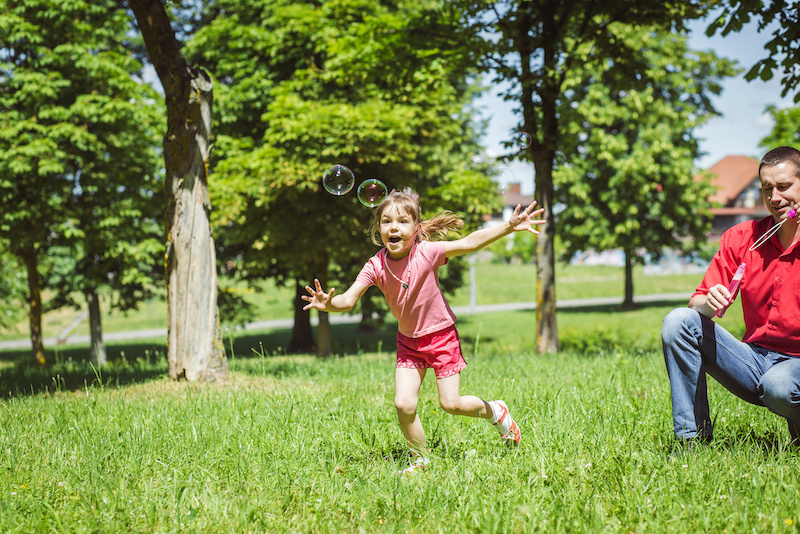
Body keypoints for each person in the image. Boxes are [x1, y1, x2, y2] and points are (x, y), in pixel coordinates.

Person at [302, 189, 545, 475]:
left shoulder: (426, 253)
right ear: (377, 228)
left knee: (450, 404)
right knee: (403, 405)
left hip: (441, 337)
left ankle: (496, 411)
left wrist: (508, 226)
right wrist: (329, 304)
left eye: (403, 222)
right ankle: (421, 458)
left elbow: (468, 243)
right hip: (408, 342)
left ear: (416, 229)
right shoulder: (375, 265)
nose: (393, 227)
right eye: (386, 221)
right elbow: (348, 299)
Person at [662, 146, 800, 454]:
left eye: (784, 186)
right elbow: (696, 307)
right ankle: (691, 443)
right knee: (677, 322)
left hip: (794, 368)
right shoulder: (742, 238)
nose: (774, 197)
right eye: (767, 189)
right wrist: (708, 302)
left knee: (779, 385)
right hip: (755, 361)